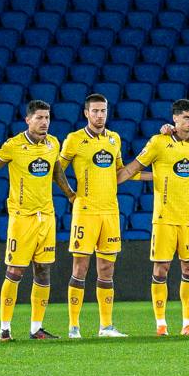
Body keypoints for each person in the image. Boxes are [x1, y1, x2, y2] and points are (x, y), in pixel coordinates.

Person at [121, 99, 189, 337]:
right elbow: (132, 168)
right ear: (174, 119)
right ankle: (161, 324)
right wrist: (107, 181)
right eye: (185, 117)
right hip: (164, 218)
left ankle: (188, 324)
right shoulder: (159, 142)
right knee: (161, 270)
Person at [59, 92, 127, 339]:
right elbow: (57, 168)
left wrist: (156, 175)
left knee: (107, 268)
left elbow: (120, 172)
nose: (100, 115)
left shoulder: (114, 139)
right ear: (86, 113)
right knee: (81, 267)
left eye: (103, 111)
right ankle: (74, 326)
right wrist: (69, 193)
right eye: (95, 111)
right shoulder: (75, 139)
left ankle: (106, 327)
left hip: (110, 211)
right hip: (85, 212)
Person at [0, 100, 62, 340]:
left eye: (47, 118)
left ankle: (36, 328)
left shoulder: (54, 143)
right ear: (28, 120)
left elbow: (56, 170)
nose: (44, 122)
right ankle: (4, 328)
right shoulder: (13, 146)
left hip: (47, 216)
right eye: (39, 118)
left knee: (43, 270)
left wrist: (70, 193)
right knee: (15, 270)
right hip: (22, 218)